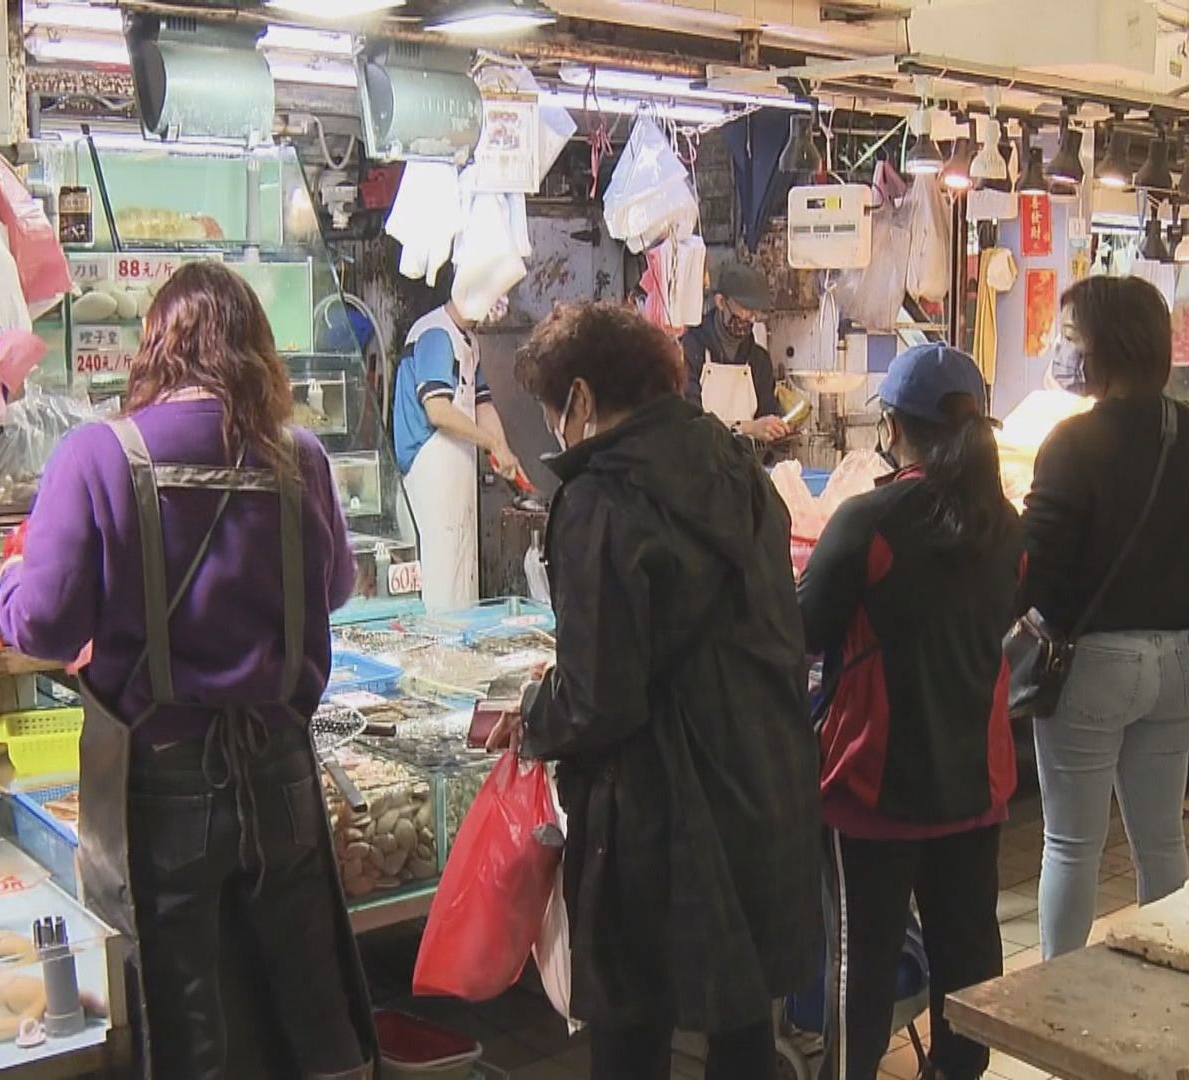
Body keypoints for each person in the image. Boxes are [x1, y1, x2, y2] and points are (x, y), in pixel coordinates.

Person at [0, 262, 373, 1080]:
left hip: (161, 783)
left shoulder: (97, 455)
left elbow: (43, 622)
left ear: (154, 346)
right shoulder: (300, 457)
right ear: (256, 352)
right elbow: (336, 585)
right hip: (281, 769)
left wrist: (17, 575)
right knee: (310, 1003)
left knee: (183, 1006)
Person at [491, 302, 821, 1080]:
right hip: (764, 774)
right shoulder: (736, 462)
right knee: (741, 1019)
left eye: (551, 411)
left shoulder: (602, 497)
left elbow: (600, 698)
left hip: (661, 809)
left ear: (579, 398)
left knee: (632, 1027)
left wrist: (537, 717)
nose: (554, 430)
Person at [798, 344, 1024, 1080]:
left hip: (873, 784)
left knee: (859, 962)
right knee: (969, 955)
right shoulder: (1006, 523)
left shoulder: (871, 519)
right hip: (975, 777)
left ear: (892, 426)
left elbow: (803, 629)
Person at [1024, 276, 1189, 959]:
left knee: (1072, 843)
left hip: (1096, 665)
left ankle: (1057, 992)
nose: (1066, 350)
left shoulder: (1072, 444)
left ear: (1106, 346)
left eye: (1073, 337)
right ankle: (1167, 976)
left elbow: (1040, 570)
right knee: (1163, 838)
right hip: (1181, 661)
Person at [390, 280, 526, 613]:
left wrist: (504, 452)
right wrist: (491, 442)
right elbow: (438, 411)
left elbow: (483, 405)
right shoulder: (435, 333)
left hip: (456, 474)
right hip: (429, 471)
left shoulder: (470, 343)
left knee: (463, 574)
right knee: (441, 579)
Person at [681, 260, 791, 442]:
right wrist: (750, 428)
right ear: (721, 302)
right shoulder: (691, 349)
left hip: (743, 465)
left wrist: (776, 428)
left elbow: (766, 416)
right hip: (697, 465)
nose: (749, 317)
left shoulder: (758, 360)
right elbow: (691, 423)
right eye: (744, 308)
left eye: (754, 312)